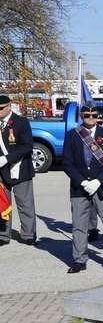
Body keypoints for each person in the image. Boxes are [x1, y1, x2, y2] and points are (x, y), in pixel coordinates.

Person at [62, 103, 103, 272]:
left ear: (98, 117)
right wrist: (82, 182)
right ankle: (79, 259)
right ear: (81, 116)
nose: (90, 118)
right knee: (79, 226)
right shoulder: (72, 135)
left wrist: (98, 181)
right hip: (80, 188)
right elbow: (67, 162)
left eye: (93, 115)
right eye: (87, 115)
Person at [0, 95, 37, 245]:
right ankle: (3, 235)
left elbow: (27, 145)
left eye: (1, 108)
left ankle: (28, 235)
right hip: (1, 172)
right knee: (2, 203)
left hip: (20, 169)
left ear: (9, 107)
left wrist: (6, 158)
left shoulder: (21, 122)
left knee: (25, 203)